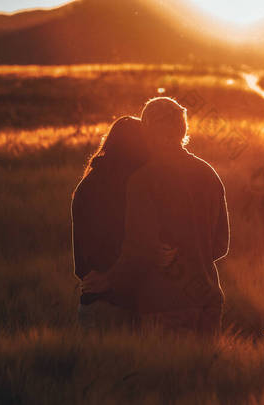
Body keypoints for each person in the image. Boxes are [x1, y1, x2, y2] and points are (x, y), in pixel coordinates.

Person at [82, 97, 230, 335]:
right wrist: (192, 254)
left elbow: (138, 250)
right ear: (183, 129)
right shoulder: (208, 173)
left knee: (168, 373)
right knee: (203, 372)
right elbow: (221, 245)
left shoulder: (143, 180)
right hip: (209, 299)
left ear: (147, 131)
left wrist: (108, 281)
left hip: (165, 303)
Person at [72, 116, 176, 329]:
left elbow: (88, 251)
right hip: (131, 301)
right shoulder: (140, 187)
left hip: (95, 301)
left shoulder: (87, 186)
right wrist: (158, 253)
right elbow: (139, 246)